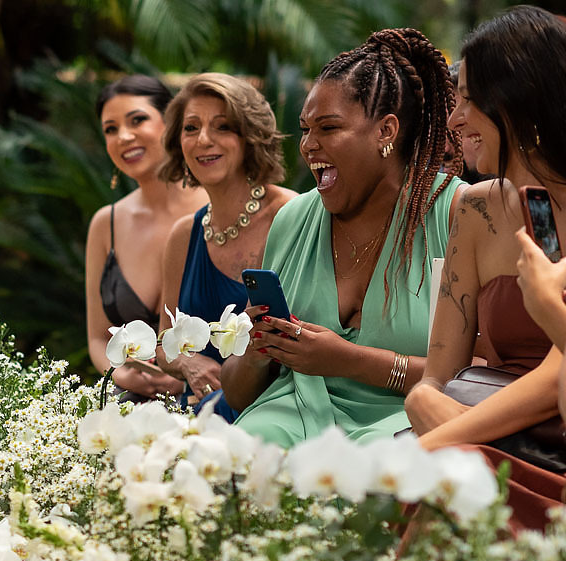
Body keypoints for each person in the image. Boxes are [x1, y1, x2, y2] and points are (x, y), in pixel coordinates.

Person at [221, 28, 463, 446]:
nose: (309, 145)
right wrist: (258, 350)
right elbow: (239, 394)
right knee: (238, 454)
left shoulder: (455, 213)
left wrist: (350, 361)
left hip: (403, 419)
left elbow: (482, 374)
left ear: (385, 131)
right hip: (289, 413)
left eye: (328, 128)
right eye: (305, 129)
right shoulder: (293, 218)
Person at [404, 6, 566, 531]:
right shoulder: (472, 207)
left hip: (551, 446)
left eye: (468, 100)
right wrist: (428, 405)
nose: (453, 120)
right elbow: (436, 376)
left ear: (520, 98)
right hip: (484, 427)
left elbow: (553, 376)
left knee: (444, 472)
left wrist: (437, 441)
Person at [153, 73, 297, 421]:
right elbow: (162, 344)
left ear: (250, 137)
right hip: (196, 418)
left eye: (222, 127)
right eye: (191, 128)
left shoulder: (291, 216)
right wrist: (188, 362)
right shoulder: (182, 235)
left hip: (273, 415)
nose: (204, 139)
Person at [86, 76, 208, 401]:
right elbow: (98, 339)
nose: (123, 137)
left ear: (171, 122)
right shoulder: (105, 224)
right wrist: (122, 374)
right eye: (110, 129)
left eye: (137, 120)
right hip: (130, 401)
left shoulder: (216, 208)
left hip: (212, 397)